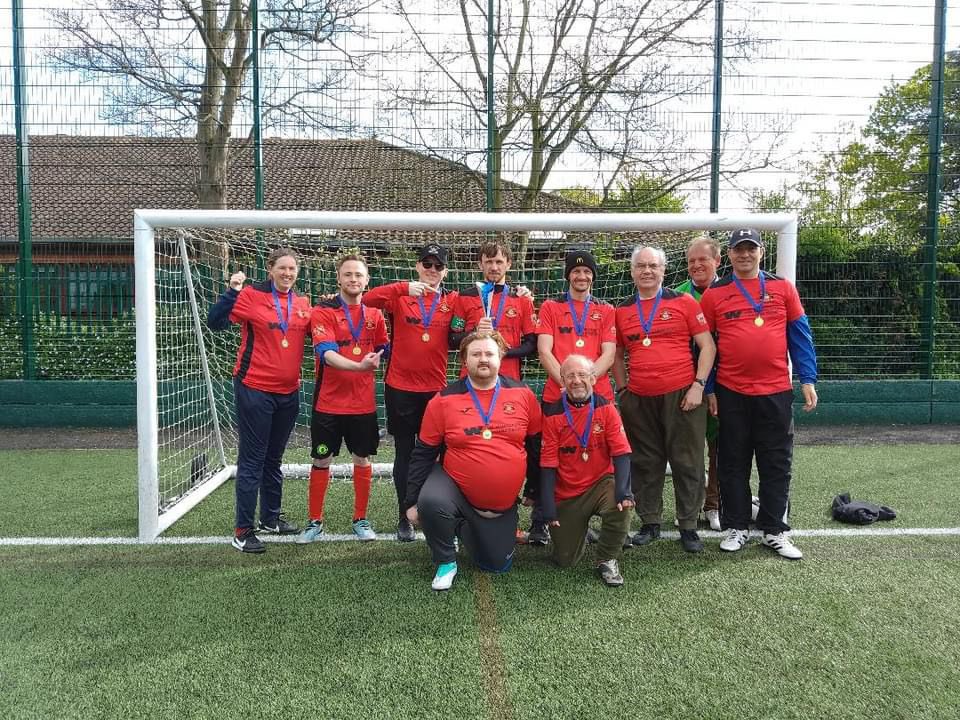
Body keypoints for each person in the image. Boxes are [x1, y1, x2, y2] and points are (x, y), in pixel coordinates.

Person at [699, 228, 818, 559]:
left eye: (750, 249)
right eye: (739, 249)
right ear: (731, 254)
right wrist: (708, 389)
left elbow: (800, 335)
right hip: (731, 392)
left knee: (776, 462)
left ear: (761, 252)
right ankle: (736, 527)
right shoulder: (715, 294)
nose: (745, 255)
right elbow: (706, 348)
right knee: (732, 462)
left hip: (776, 392)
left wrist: (807, 378)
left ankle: (774, 530)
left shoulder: (782, 288)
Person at [405, 331, 542, 591]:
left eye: (489, 353)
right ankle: (445, 560)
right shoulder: (443, 399)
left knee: (496, 566)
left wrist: (533, 488)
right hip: (455, 488)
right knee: (432, 501)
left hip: (500, 504)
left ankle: (464, 527)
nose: (483, 359)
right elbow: (423, 452)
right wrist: (411, 501)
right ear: (464, 360)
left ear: (500, 356)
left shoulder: (523, 394)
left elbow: (536, 447)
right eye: (476, 354)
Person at [207, 247, 312, 553]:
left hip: (289, 392)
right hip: (254, 389)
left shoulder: (303, 303)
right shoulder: (251, 296)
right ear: (270, 269)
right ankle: (242, 531)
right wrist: (232, 290)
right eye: (282, 268)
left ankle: (270, 517)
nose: (287, 273)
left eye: (292, 269)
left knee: (273, 459)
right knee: (252, 459)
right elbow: (216, 321)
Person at [613, 246, 716, 554]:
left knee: (688, 461)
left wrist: (698, 385)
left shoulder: (683, 302)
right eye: (641, 266)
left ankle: (688, 525)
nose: (647, 271)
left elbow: (707, 347)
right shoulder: (622, 310)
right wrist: (622, 390)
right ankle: (650, 522)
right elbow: (617, 354)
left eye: (653, 266)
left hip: (683, 395)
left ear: (663, 270)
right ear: (632, 272)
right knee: (645, 462)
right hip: (639, 398)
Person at [363, 243, 459, 542]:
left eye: (438, 266)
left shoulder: (452, 300)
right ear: (418, 266)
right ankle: (404, 514)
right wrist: (403, 287)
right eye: (426, 264)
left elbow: (467, 324)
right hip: (400, 388)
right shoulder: (401, 297)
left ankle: (438, 512)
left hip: (436, 390)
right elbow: (367, 298)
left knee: (438, 454)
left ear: (446, 271)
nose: (432, 270)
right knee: (405, 453)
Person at [297, 252, 389, 543]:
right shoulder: (323, 312)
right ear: (339, 278)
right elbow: (326, 354)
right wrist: (360, 365)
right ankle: (315, 522)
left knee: (362, 459)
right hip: (329, 405)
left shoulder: (375, 315)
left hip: (363, 405)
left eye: (358, 275)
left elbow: (385, 345)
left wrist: (380, 354)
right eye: (348, 274)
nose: (353, 279)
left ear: (366, 280)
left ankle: (361, 519)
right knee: (322, 459)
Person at [532, 249, 617, 546]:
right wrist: (568, 384)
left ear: (593, 276)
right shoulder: (551, 308)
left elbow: (609, 352)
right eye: (576, 271)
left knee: (596, 456)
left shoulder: (606, 310)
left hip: (597, 397)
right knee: (552, 457)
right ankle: (541, 520)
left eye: (587, 272)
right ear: (568, 274)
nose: (582, 276)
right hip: (558, 396)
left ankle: (591, 518)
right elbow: (544, 350)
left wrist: (587, 382)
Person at [539, 354, 634, 586]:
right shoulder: (552, 414)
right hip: (567, 492)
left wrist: (624, 491)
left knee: (621, 505)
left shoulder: (607, 408)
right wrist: (548, 506)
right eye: (570, 376)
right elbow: (548, 463)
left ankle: (607, 558)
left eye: (582, 375)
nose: (576, 380)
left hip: (601, 483)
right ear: (562, 381)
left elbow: (621, 453)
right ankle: (580, 531)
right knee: (565, 561)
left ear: (593, 378)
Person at [674, 235, 723, 532]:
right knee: (687, 449)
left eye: (702, 259)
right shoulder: (677, 294)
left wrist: (712, 386)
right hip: (684, 385)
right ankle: (688, 508)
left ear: (717, 261)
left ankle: (714, 503)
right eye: (691, 261)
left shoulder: (731, 291)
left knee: (720, 445)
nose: (696, 265)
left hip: (723, 385)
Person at [450, 239, 538, 381]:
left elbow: (532, 344)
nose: (494, 267)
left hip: (509, 378)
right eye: (489, 262)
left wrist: (503, 352)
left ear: (508, 264)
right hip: (471, 378)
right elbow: (452, 339)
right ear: (480, 265)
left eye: (499, 262)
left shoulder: (522, 299)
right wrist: (475, 332)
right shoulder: (465, 297)